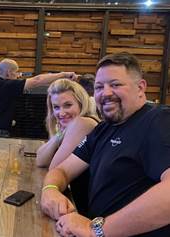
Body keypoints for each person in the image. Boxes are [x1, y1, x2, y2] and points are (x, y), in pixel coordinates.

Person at [40, 52, 170, 237]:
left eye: (116, 84)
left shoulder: (158, 120)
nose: (106, 93)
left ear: (140, 88)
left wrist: (97, 229)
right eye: (99, 87)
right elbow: (61, 171)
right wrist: (50, 191)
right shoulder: (103, 130)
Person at [36, 79, 100, 215]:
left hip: (87, 213)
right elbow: (40, 160)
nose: (61, 113)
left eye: (68, 105)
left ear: (81, 104)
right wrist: (59, 134)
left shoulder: (83, 123)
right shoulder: (71, 126)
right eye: (56, 107)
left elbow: (54, 168)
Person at [0, 58, 77, 136]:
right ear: (8, 72)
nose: (18, 76)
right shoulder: (6, 85)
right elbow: (37, 80)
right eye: (16, 72)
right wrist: (64, 74)